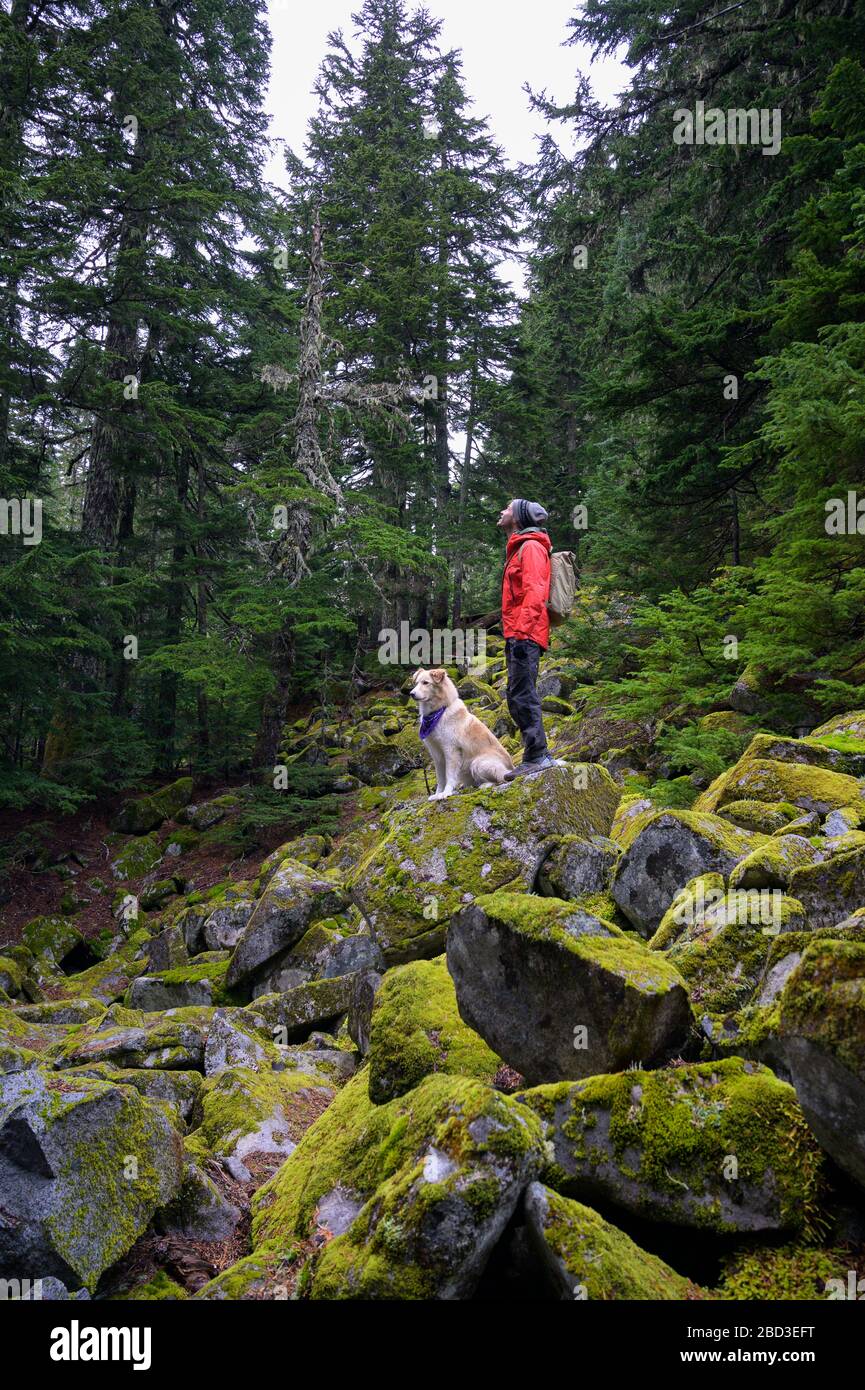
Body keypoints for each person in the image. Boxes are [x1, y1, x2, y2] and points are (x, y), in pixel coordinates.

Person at [497, 498, 556, 778]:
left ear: (518, 517)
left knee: (523, 694)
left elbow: (536, 592)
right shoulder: (521, 547)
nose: (502, 512)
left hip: (526, 633)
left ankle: (538, 757)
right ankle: (537, 754)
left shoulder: (531, 547)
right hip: (519, 633)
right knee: (516, 695)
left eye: (507, 508)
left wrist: (521, 633)